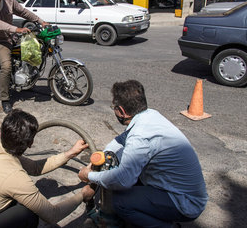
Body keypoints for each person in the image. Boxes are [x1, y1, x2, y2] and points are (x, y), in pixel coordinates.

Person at [78, 80, 208, 228]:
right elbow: (119, 141)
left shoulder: (140, 136)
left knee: (120, 202)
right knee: (126, 173)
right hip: (183, 191)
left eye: (114, 107)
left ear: (121, 111)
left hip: (185, 203)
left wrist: (89, 176)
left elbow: (123, 180)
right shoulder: (150, 116)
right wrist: (97, 160)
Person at [0, 109, 95, 228]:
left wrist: (70, 153)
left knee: (14, 201)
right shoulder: (13, 176)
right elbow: (52, 215)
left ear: (1, 133)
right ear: (30, 144)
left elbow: (36, 168)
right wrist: (82, 195)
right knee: (27, 214)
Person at [0, 0, 49, 113]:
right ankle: (5, 99)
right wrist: (17, 29)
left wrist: (40, 21)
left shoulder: (9, 0)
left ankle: (26, 81)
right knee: (6, 66)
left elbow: (23, 12)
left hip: (12, 37)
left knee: (31, 52)